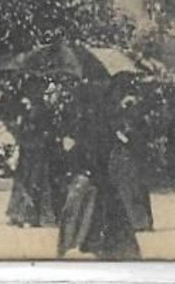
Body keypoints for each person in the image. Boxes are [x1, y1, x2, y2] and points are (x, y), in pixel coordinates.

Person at [57, 81, 141, 260]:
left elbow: (87, 148)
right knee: (101, 206)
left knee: (88, 207)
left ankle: (86, 243)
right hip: (97, 172)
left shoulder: (90, 117)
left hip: (91, 172)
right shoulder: (102, 116)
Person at [4, 81, 61, 228]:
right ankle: (26, 214)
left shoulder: (38, 108)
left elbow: (31, 128)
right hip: (33, 148)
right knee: (32, 180)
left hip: (33, 147)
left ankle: (25, 214)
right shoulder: (37, 108)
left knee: (30, 180)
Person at [109, 89, 155, 232]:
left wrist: (124, 136)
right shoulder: (122, 110)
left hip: (132, 151)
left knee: (134, 186)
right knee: (131, 186)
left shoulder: (137, 111)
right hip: (129, 151)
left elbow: (139, 131)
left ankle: (140, 221)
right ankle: (139, 220)